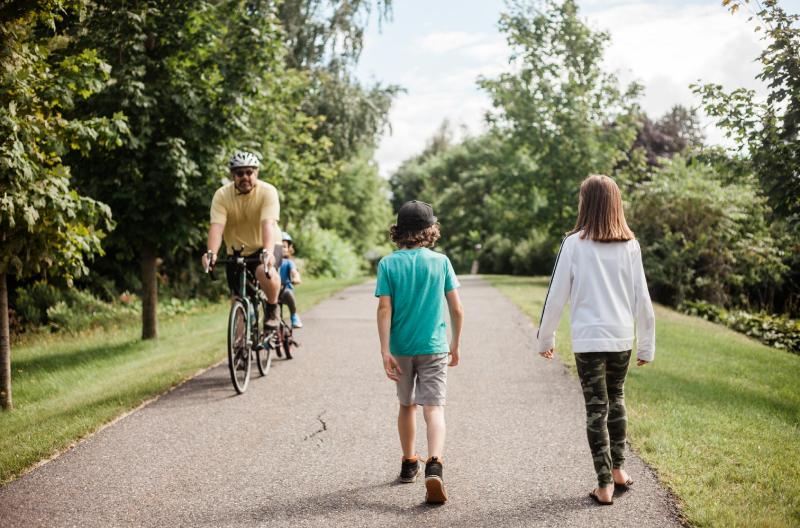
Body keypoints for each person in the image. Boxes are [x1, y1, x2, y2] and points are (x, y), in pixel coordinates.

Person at [536, 174, 655, 506]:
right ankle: (618, 470)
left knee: (596, 409)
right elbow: (642, 299)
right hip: (620, 339)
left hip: (589, 341)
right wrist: (646, 344)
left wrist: (545, 338)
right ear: (616, 204)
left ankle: (604, 484)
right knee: (616, 399)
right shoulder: (630, 245)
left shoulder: (574, 243)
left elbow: (556, 296)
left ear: (585, 204)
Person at [375, 200, 464, 505]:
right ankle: (435, 463)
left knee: (407, 405)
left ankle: (409, 461)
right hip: (434, 346)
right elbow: (457, 308)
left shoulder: (388, 264)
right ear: (430, 231)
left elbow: (384, 308)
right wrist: (455, 344)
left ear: (398, 231)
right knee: (434, 408)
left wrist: (384, 349)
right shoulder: (441, 262)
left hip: (401, 348)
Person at [201, 151, 283, 329]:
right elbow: (216, 227)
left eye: (249, 172)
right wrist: (211, 253)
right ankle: (239, 347)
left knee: (264, 271)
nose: (244, 177)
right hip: (236, 250)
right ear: (233, 176)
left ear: (256, 173)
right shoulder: (222, 196)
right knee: (237, 298)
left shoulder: (268, 192)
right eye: (239, 173)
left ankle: (272, 308)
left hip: (266, 244)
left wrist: (268, 253)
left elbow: (268, 224)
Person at [279, 232, 303, 328]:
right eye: (278, 246)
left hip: (284, 290)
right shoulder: (270, 263)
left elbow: (294, 272)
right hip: (271, 292)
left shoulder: (288, 262)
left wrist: (296, 278)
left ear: (289, 249)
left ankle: (294, 315)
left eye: (284, 246)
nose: (281, 249)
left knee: (289, 294)